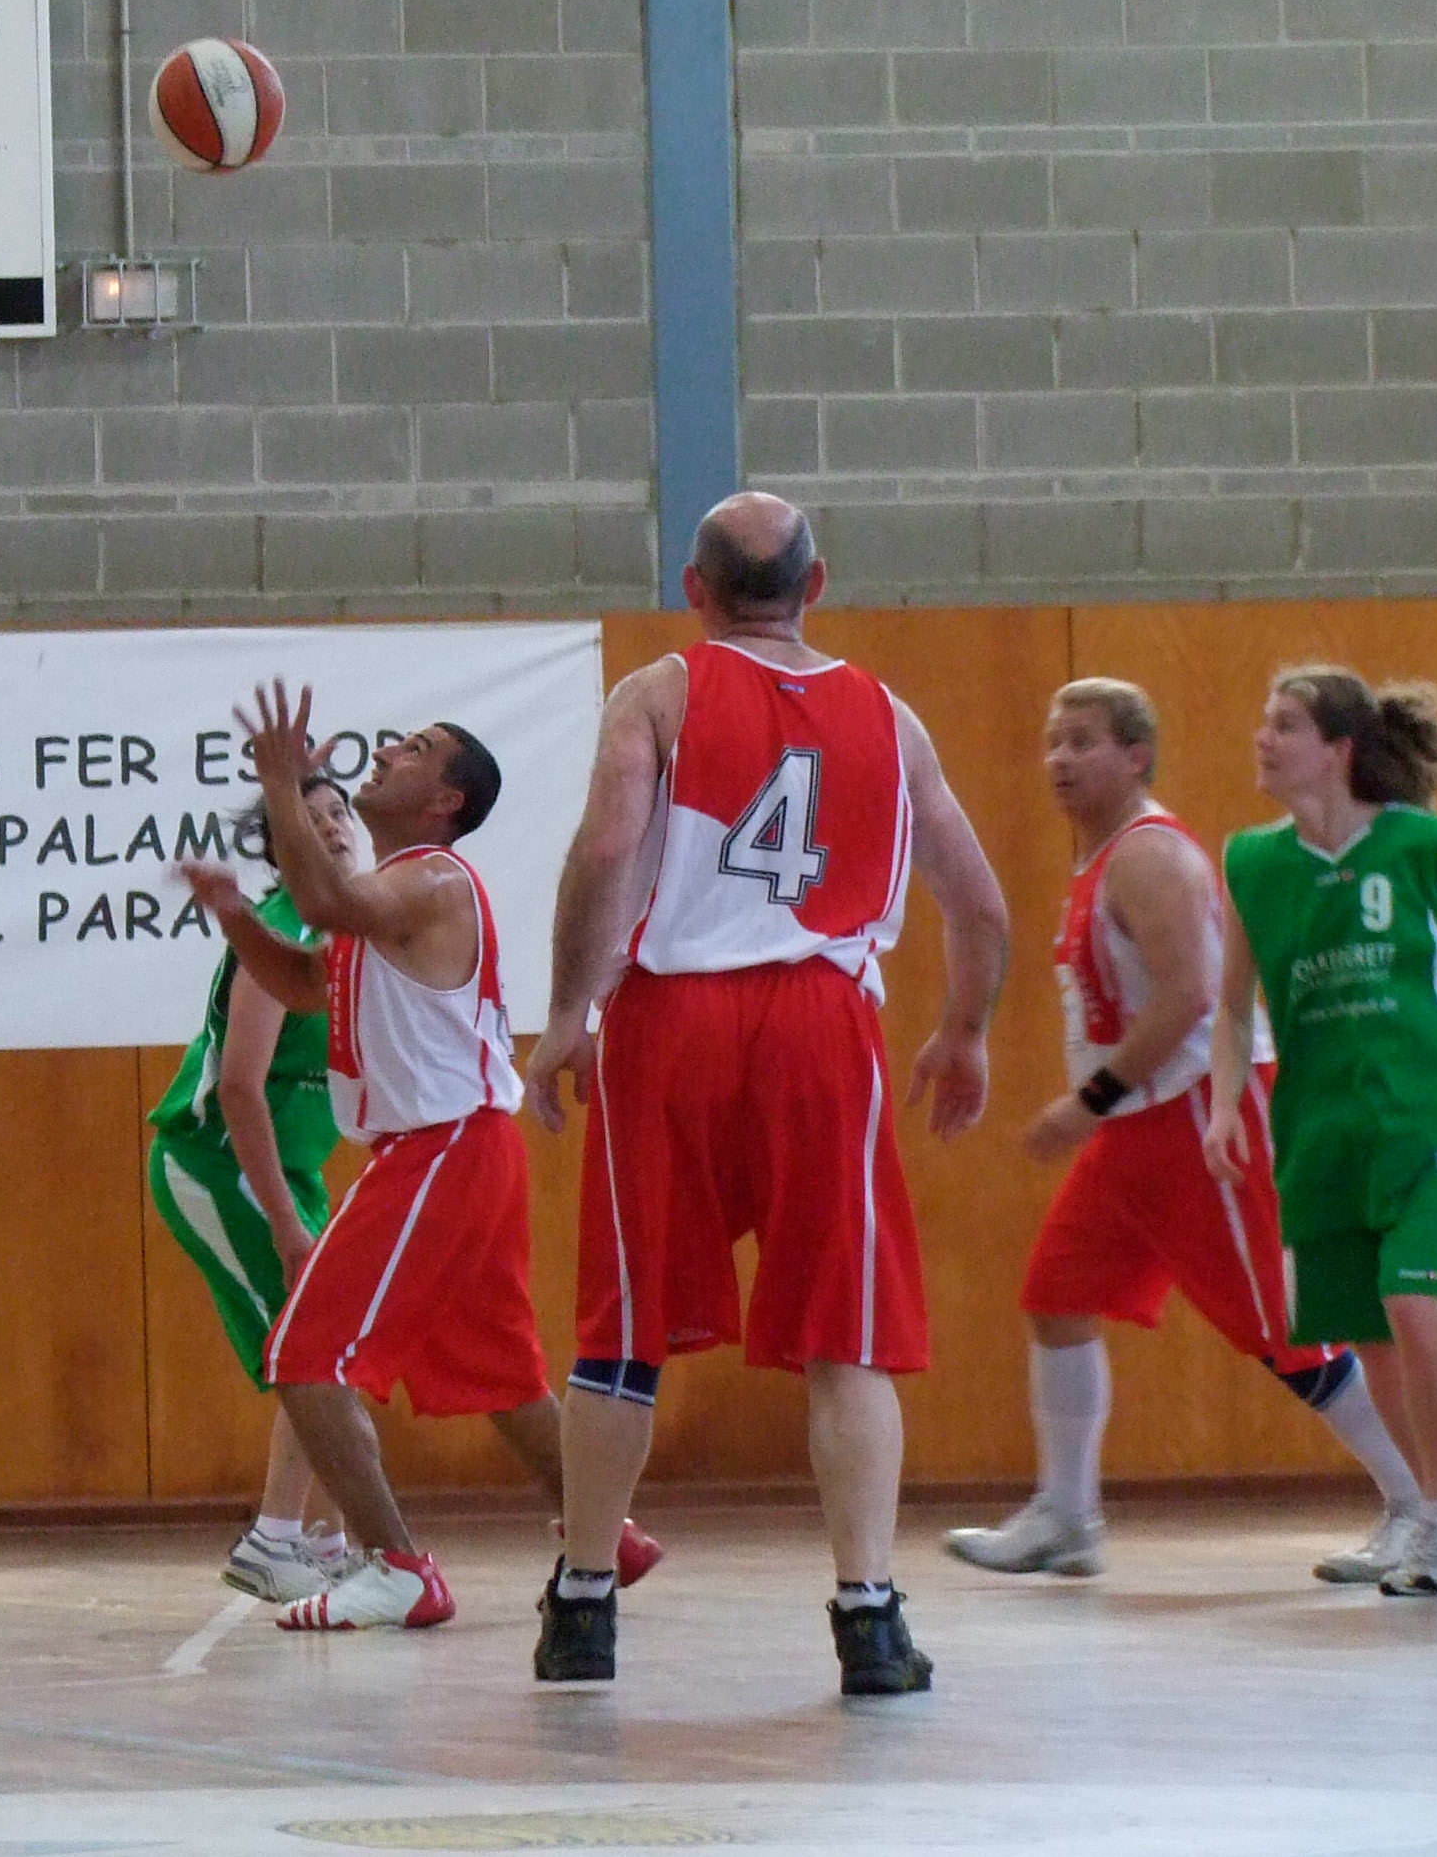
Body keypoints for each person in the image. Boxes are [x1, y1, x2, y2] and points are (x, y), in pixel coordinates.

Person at [521, 491, 1011, 1697]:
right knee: (846, 1330)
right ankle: (870, 1619)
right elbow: (979, 903)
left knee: (624, 1326)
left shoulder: (658, 694)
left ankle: (583, 1607)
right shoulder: (890, 718)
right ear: (817, 585)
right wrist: (962, 1030)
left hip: (671, 1022)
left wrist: (568, 1013)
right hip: (820, 1026)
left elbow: (604, 851)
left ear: (694, 590)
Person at [181, 687, 656, 1631]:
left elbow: (324, 898)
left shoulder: (431, 880)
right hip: (461, 1151)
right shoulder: (392, 896)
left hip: (442, 1150)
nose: (389, 749)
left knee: (305, 1356)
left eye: (417, 747)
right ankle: (609, 1535)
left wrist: (280, 785)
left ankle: (399, 1569)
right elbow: (306, 983)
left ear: (445, 799)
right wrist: (235, 915)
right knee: (502, 1379)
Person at [949, 679, 1425, 1581]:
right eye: (1053, 740)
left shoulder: (1149, 856)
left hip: (1201, 1115)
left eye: (1083, 741)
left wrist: (1085, 1103)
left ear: (1136, 756)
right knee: (1057, 1297)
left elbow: (1191, 998)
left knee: (1290, 1337)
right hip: (1136, 1128)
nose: (1058, 759)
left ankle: (1416, 1505)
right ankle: (1067, 1515)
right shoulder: (1100, 858)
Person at [1207, 665, 1437, 1596]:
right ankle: (1425, 1512)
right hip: (1319, 1132)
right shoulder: (1252, 863)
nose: (1263, 739)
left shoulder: (1420, 846)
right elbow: (1232, 1011)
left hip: (1420, 1119)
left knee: (1416, 1309)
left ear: (1339, 749)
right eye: (1265, 721)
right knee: (1371, 1337)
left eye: (1286, 724)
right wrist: (1223, 1104)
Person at [152, 775, 363, 1602]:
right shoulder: (279, 931)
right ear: (279, 851)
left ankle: (331, 1540)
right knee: (314, 1347)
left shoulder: (352, 928)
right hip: (217, 1162)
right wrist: (283, 1221)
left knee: (334, 1345)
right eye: (306, 822)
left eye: (338, 812)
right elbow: (240, 1088)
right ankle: (273, 1540)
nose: (332, 828)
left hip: (289, 1166)